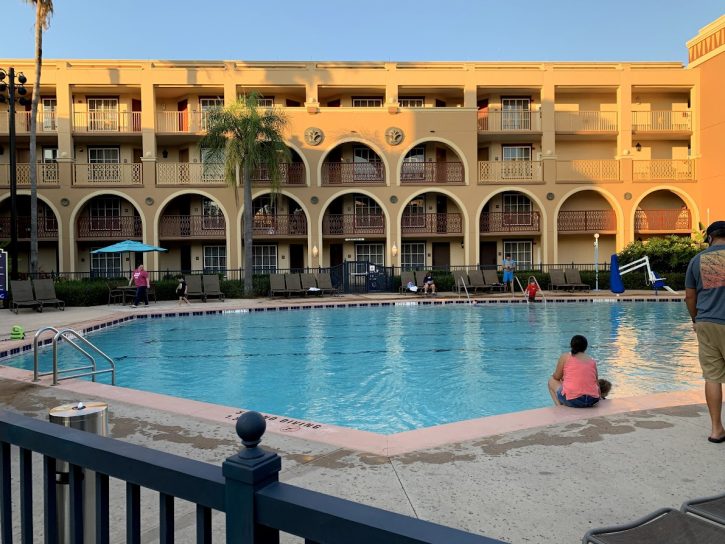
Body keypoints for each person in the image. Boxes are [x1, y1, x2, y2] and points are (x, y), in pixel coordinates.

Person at [685, 220, 725, 443]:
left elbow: (690, 296)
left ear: (709, 238)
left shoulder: (697, 260)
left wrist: (695, 319)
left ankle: (716, 430)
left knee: (713, 377)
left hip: (707, 322)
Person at [548, 335, 601, 408]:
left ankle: (559, 407)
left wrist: (554, 375)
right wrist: (600, 397)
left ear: (571, 345)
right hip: (592, 400)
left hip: (574, 401)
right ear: (585, 347)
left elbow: (556, 377)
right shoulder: (592, 360)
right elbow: (596, 382)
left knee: (551, 381)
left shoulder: (565, 357)